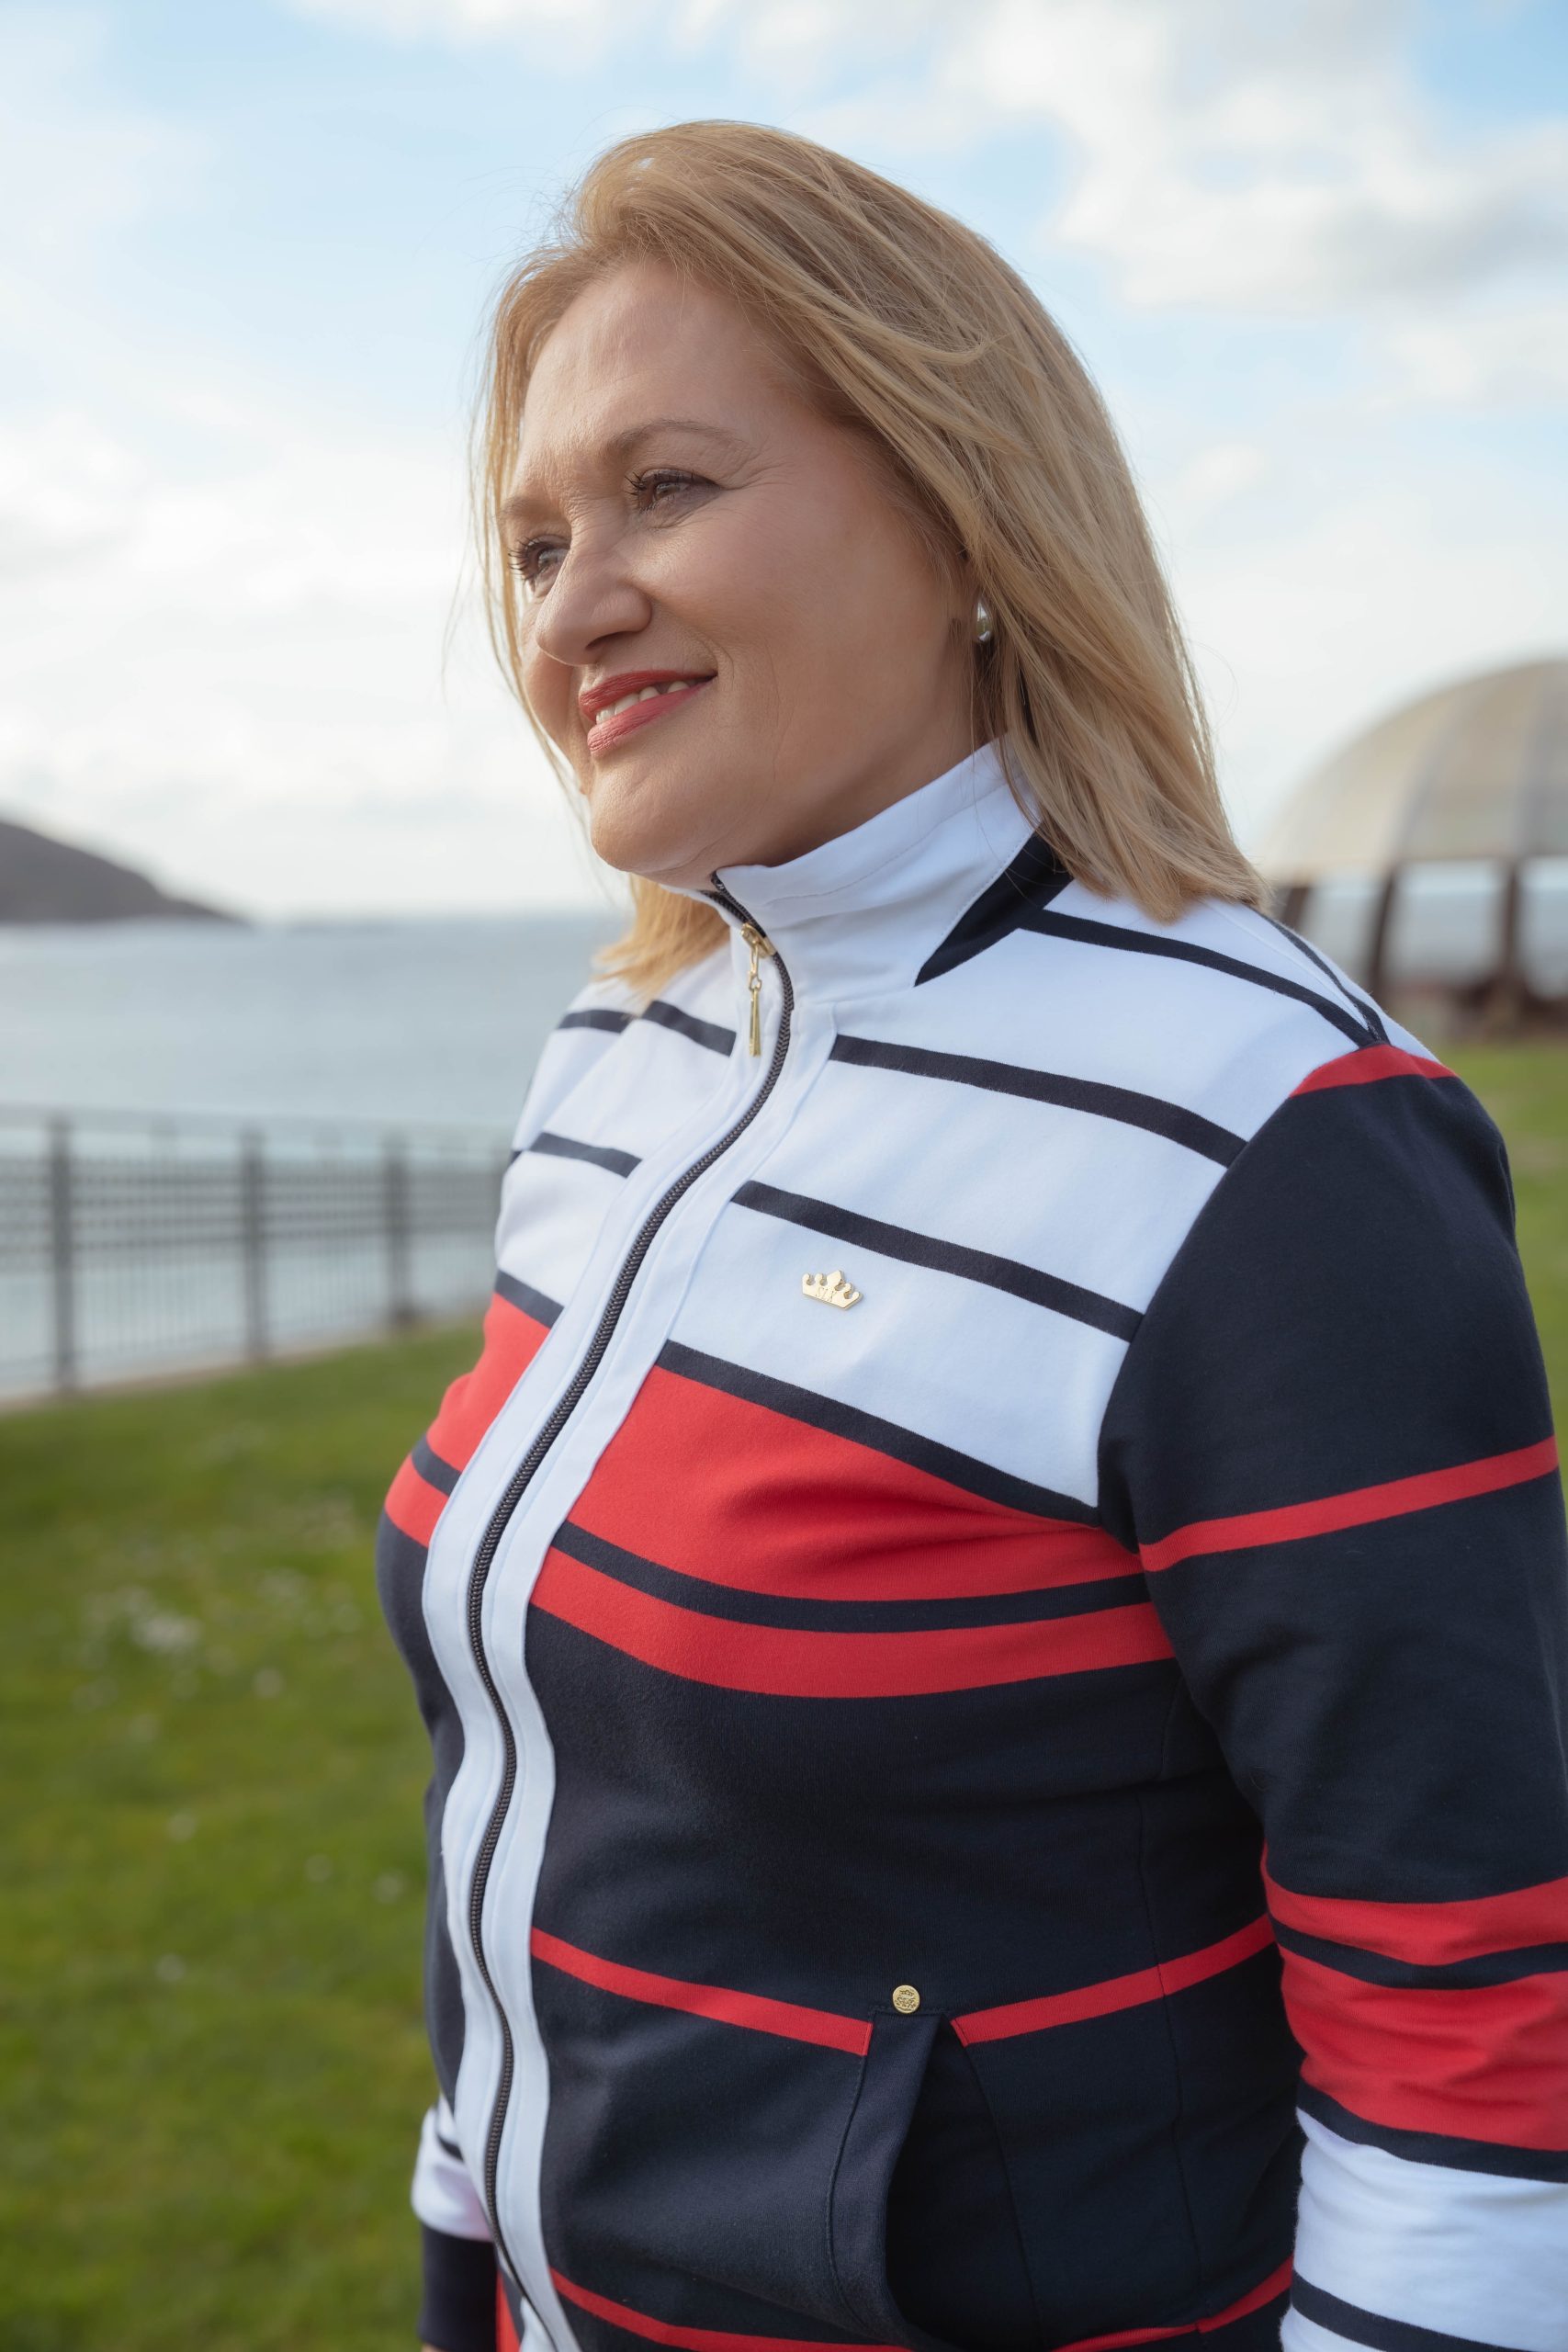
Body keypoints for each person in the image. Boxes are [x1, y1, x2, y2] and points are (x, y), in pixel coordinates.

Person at [376, 119, 1568, 2352]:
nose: (568, 602)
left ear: (959, 510)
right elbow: (535, 1766)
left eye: (665, 488)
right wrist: (470, 2226)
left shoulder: (1275, 1135)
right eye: (532, 537)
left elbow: (1473, 2026)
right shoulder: (623, 1040)